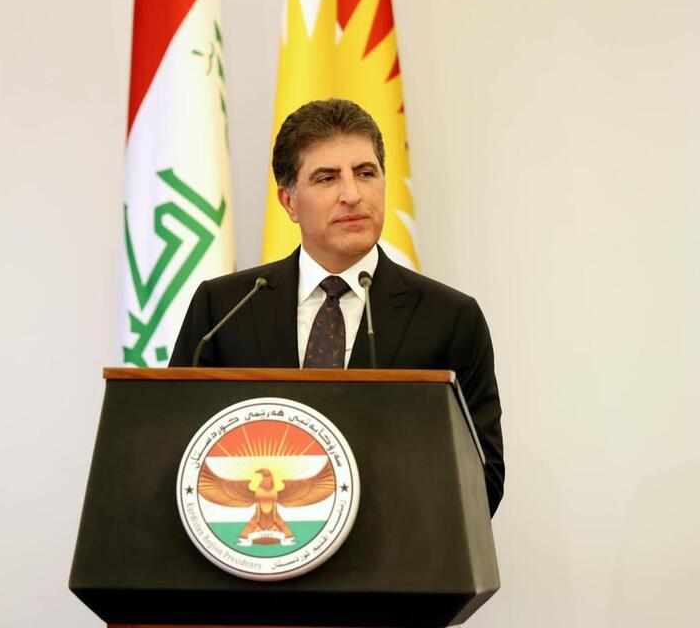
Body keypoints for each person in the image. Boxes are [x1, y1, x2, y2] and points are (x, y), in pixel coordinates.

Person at [170, 99, 504, 516]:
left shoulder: (449, 318)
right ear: (289, 202)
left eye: (366, 173)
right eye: (327, 178)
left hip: (394, 552)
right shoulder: (224, 310)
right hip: (255, 543)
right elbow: (178, 454)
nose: (352, 195)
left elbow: (482, 481)